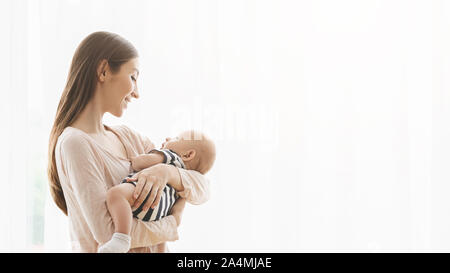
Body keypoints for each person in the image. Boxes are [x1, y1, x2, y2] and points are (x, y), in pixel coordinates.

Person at [47, 31, 211, 253]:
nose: (137, 93)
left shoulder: (128, 137)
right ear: (103, 71)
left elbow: (202, 186)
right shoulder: (74, 143)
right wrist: (173, 224)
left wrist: (167, 173)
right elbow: (110, 234)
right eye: (133, 77)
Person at [98, 130, 216, 252]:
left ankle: (122, 238)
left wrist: (135, 159)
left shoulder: (171, 156)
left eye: (176, 138)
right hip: (160, 212)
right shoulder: (182, 183)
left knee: (115, 195)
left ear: (187, 155)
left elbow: (140, 163)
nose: (168, 137)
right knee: (160, 241)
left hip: (146, 197)